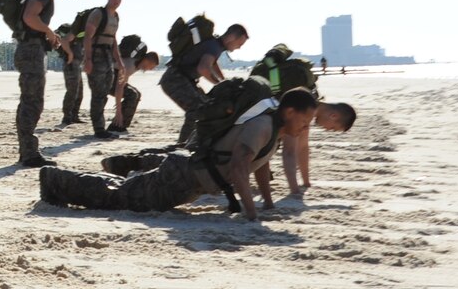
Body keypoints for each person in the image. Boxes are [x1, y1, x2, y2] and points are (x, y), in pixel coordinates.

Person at [40, 88, 322, 225]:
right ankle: (54, 179)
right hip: (181, 178)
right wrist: (251, 214)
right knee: (117, 197)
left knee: (124, 192)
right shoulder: (263, 126)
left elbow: (260, 166)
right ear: (289, 112)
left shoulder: (274, 129)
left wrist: (268, 205)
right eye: (305, 120)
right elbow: (238, 169)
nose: (306, 127)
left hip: (188, 179)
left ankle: (121, 164)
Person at [14, 0, 84, 167]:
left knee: (31, 100)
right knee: (32, 101)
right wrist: (48, 31)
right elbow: (30, 16)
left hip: (32, 49)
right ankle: (28, 154)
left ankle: (27, 151)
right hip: (30, 51)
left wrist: (47, 35)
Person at [161, 22, 248, 146]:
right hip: (175, 79)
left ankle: (194, 143)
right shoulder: (214, 46)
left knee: (207, 106)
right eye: (240, 43)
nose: (239, 47)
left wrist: (224, 81)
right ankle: (183, 146)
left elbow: (212, 63)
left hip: (181, 79)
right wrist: (221, 85)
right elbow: (204, 68)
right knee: (198, 111)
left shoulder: (215, 44)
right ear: (231, 38)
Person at [279, 100, 357, 198]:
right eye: (332, 128)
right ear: (334, 116)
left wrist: (306, 182)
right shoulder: (303, 109)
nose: (327, 130)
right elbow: (289, 152)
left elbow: (302, 147)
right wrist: (295, 191)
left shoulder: (311, 106)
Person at [81, 0, 124, 137]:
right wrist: (88, 59)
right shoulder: (98, 14)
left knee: (104, 93)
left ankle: (100, 127)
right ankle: (99, 129)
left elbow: (113, 40)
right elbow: (87, 36)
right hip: (96, 55)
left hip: (107, 57)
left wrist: (119, 61)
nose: (116, 1)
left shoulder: (116, 17)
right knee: (98, 93)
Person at [119, 49, 161, 133]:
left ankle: (123, 124)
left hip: (115, 82)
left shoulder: (136, 65)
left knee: (136, 94)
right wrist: (118, 107)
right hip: (106, 81)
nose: (150, 69)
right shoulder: (130, 65)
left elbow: (124, 83)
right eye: (151, 66)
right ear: (146, 61)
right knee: (133, 94)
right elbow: (119, 85)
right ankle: (117, 125)